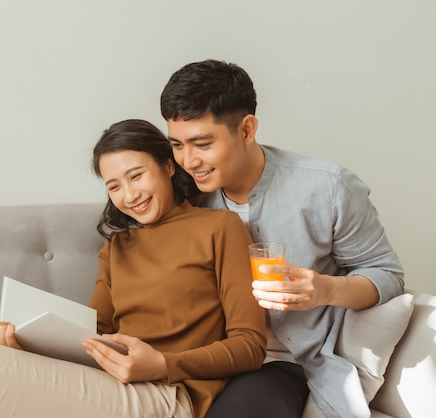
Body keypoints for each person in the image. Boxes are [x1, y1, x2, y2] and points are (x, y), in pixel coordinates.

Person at [0, 119, 266, 418]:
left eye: (137, 175)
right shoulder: (119, 246)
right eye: (114, 185)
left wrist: (162, 365)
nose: (129, 194)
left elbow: (250, 345)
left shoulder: (220, 228)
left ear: (168, 166)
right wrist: (22, 343)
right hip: (111, 388)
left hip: (170, 398)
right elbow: (91, 335)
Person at [160, 59, 405, 417]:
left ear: (246, 130)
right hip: (203, 357)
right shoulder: (184, 197)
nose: (189, 160)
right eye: (177, 145)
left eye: (202, 143)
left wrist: (323, 289)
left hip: (281, 364)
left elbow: (388, 274)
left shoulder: (327, 188)